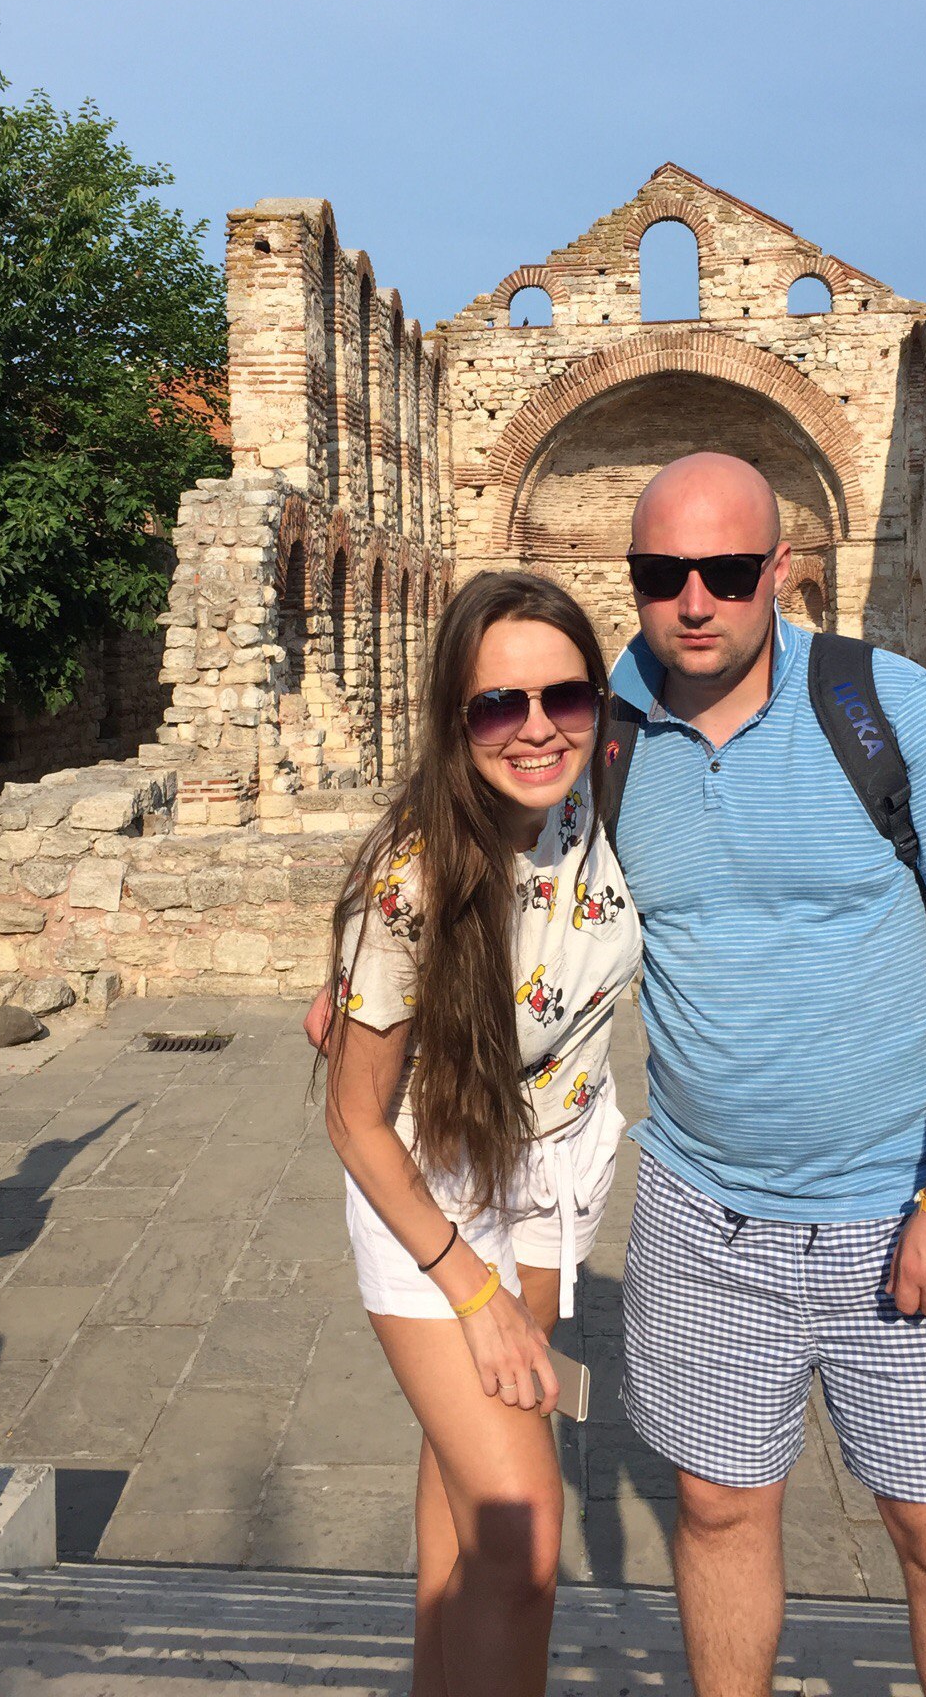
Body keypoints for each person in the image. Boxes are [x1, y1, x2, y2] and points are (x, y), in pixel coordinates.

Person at [608, 453, 926, 1697]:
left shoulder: (883, 705)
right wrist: (369, 973)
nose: (696, 599)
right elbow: (477, 853)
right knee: (715, 1509)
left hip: (902, 1208)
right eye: (663, 573)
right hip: (701, 1214)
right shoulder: (603, 728)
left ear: (781, 567)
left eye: (726, 569)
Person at [317, 570, 642, 1697]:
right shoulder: (409, 881)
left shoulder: (602, 785)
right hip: (434, 1191)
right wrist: (472, 1290)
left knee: (464, 1491)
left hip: (557, 1168)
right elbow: (352, 1115)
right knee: (522, 1538)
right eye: (501, 704)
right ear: (457, 718)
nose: (538, 727)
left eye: (566, 696)